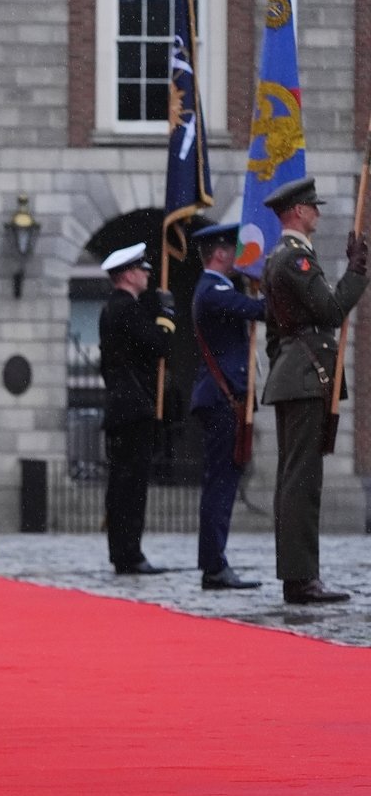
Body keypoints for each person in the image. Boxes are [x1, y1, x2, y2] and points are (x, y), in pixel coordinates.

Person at [259, 177, 367, 604]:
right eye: (313, 208)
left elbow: (273, 333)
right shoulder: (295, 261)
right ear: (299, 212)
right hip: (305, 376)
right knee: (302, 481)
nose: (318, 214)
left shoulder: (277, 258)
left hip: (295, 373)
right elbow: (331, 310)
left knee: (295, 479)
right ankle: (302, 579)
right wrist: (357, 272)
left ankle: (298, 576)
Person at [188, 222, 265, 590]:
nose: (239, 256)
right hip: (222, 400)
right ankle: (214, 565)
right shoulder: (214, 290)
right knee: (220, 484)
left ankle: (214, 562)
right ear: (219, 253)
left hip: (221, 399)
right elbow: (256, 310)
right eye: (234, 250)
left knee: (221, 482)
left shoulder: (215, 288)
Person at [96, 241, 174, 576]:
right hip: (133, 408)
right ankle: (130, 553)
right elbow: (158, 345)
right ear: (128, 274)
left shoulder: (111, 307)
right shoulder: (127, 308)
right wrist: (166, 318)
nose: (147, 275)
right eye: (142, 269)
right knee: (131, 486)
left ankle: (122, 552)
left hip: (121, 406)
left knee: (122, 484)